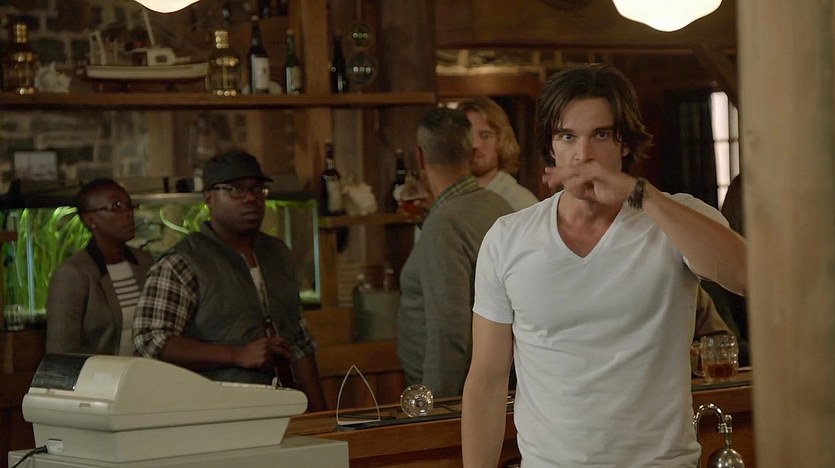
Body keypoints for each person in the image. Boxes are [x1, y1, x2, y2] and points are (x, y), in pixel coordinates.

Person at [461, 63, 747, 466]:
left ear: (624, 143)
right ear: (551, 146)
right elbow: (487, 380)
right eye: (567, 136)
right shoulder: (508, 238)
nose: (583, 155)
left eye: (600, 135)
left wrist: (641, 194)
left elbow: (747, 276)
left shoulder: (675, 216)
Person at [133, 150, 326, 412]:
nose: (250, 198)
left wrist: (321, 413)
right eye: (236, 190)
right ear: (209, 198)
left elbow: (299, 340)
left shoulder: (278, 253)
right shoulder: (183, 262)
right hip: (216, 409)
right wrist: (236, 354)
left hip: (284, 405)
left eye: (257, 189)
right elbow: (150, 340)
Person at [397, 108, 513, 398]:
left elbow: (448, 332)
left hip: (458, 398)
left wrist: (434, 410)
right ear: (471, 152)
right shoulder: (497, 205)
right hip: (497, 386)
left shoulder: (444, 224)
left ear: (420, 157)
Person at [46, 178, 153, 355]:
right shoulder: (73, 274)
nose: (128, 214)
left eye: (129, 205)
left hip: (147, 369)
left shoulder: (145, 262)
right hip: (100, 372)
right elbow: (61, 351)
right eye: (117, 206)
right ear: (90, 219)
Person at [457, 96, 539, 211]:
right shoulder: (453, 197)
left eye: (485, 136)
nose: (476, 144)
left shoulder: (521, 202)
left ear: (501, 139)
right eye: (468, 136)